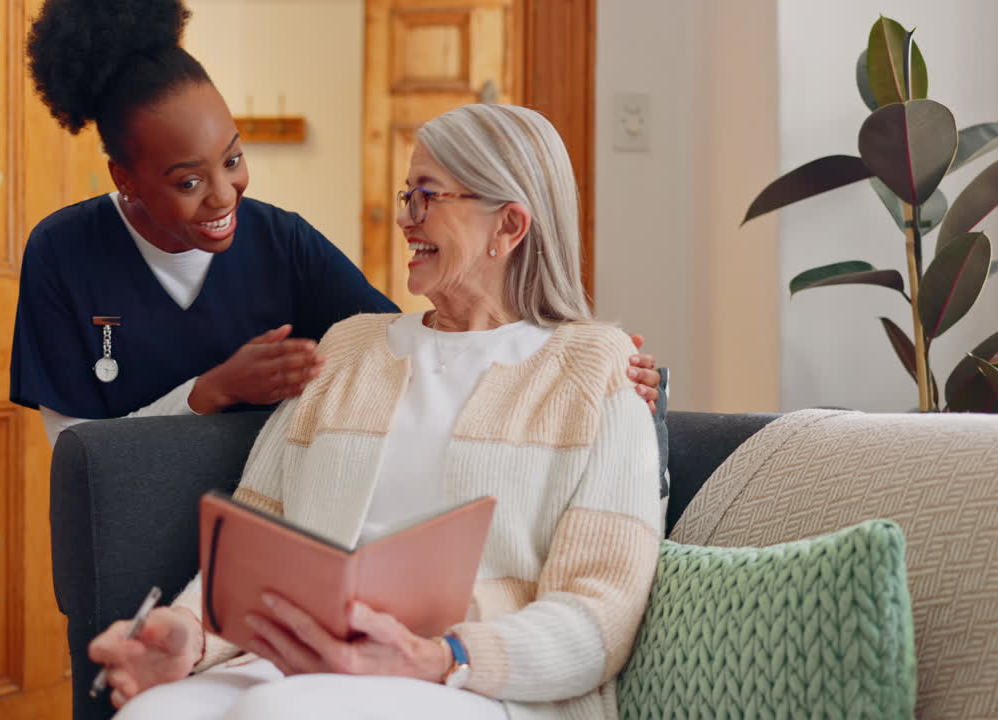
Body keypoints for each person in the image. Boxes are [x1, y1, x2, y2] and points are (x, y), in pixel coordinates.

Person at [89, 103, 664, 720]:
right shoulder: (348, 347)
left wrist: (438, 656)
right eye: (405, 194)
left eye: (427, 196)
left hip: (475, 682)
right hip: (294, 665)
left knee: (282, 713)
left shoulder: (599, 369)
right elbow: (257, 547)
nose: (404, 217)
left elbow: (600, 616)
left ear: (509, 224)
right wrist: (189, 635)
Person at [10, 0, 662, 446]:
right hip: (122, 528)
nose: (224, 195)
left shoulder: (282, 242)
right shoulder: (63, 253)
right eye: (188, 181)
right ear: (125, 177)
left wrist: (584, 363)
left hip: (262, 514)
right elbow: (76, 450)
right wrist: (209, 392)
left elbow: (419, 349)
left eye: (233, 159)